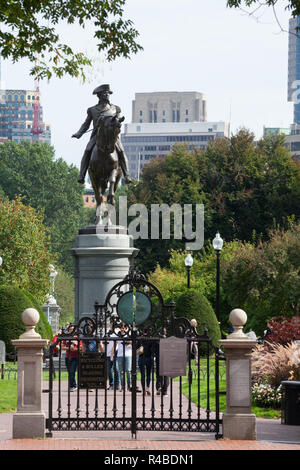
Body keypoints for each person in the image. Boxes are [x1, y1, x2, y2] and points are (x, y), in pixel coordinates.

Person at [72, 84, 132, 185]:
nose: (107, 95)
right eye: (105, 93)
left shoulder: (115, 109)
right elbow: (86, 124)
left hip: (112, 137)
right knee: (87, 151)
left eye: (108, 93)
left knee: (121, 151)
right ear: (99, 95)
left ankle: (127, 175)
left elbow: (118, 122)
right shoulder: (92, 110)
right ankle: (82, 175)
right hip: (97, 135)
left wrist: (117, 126)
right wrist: (79, 133)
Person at [61, 325, 80, 392]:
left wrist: (74, 349)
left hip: (75, 357)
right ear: (68, 330)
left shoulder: (77, 338)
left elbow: (81, 348)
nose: (71, 330)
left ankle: (73, 385)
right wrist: (69, 348)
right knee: (70, 372)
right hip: (67, 357)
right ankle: (71, 385)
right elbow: (62, 347)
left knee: (72, 371)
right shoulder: (66, 337)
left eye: (73, 329)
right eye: (70, 329)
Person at [137, 328, 153, 395]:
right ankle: (147, 387)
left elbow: (136, 347)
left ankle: (143, 390)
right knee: (148, 374)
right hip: (148, 358)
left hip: (141, 358)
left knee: (142, 375)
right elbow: (153, 349)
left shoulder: (140, 339)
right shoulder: (151, 339)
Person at [104, 323, 120, 391]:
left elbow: (115, 344)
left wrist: (112, 354)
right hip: (107, 353)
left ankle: (117, 384)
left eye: (111, 325)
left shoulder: (116, 333)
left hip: (114, 353)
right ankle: (111, 384)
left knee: (116, 369)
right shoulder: (107, 333)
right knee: (109, 370)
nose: (110, 326)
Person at [117, 323, 132, 392]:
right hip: (120, 354)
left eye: (124, 328)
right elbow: (115, 344)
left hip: (128, 354)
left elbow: (133, 342)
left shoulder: (129, 335)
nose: (122, 329)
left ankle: (129, 385)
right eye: (121, 328)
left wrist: (128, 342)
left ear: (126, 328)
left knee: (128, 371)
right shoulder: (118, 335)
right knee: (121, 372)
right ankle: (123, 387)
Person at [155, 328, 169, 397]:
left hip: (158, 359)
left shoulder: (156, 341)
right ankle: (165, 391)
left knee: (158, 375)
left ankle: (159, 387)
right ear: (165, 333)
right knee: (166, 376)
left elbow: (153, 350)